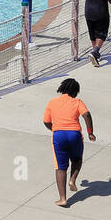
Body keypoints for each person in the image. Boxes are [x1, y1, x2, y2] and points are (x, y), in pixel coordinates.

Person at [42, 78, 95, 208]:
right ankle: (72, 180)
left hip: (58, 135)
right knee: (77, 159)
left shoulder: (52, 102)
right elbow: (87, 115)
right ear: (75, 91)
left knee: (60, 167)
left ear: (63, 88)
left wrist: (55, 130)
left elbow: (46, 121)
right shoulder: (77, 102)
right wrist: (90, 132)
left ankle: (63, 199)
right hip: (74, 134)